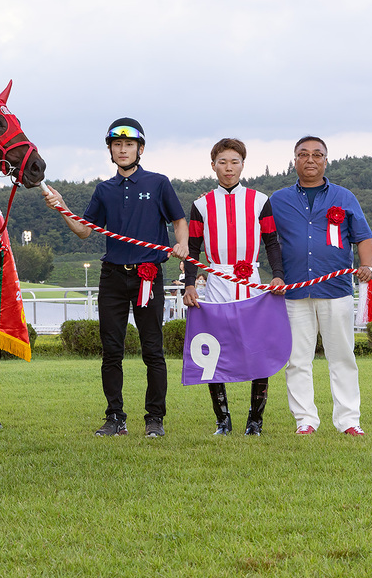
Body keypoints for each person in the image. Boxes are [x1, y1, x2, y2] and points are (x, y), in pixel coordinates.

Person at [43, 118, 188, 438]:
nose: (123, 150)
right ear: (110, 150)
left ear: (140, 149)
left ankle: (155, 419)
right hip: (112, 276)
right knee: (112, 350)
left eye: (129, 145)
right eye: (117, 145)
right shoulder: (104, 190)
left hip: (147, 274)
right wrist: (63, 207)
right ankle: (115, 417)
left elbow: (179, 220)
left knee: (152, 349)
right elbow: (83, 231)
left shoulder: (158, 183)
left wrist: (182, 243)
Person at [271, 136, 372, 436]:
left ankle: (349, 421)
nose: (310, 159)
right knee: (297, 360)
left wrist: (366, 266)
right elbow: (264, 238)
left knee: (342, 357)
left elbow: (364, 237)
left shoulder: (344, 197)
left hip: (336, 290)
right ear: (294, 161)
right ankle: (305, 420)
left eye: (317, 154)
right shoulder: (278, 200)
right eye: (303, 154)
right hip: (293, 293)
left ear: (326, 160)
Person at [183, 138, 286, 436]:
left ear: (243, 164)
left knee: (259, 349)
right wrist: (190, 283)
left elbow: (271, 242)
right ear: (213, 165)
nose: (229, 168)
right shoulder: (201, 204)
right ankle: (222, 420)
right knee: (214, 350)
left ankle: (255, 421)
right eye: (223, 162)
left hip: (251, 281)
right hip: (216, 282)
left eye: (234, 162)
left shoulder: (259, 200)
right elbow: (192, 248)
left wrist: (277, 274)